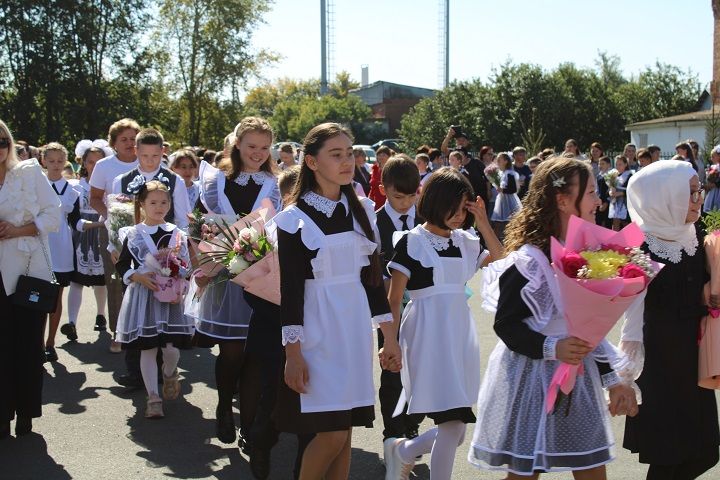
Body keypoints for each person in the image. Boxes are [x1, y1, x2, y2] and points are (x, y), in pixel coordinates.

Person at [469, 157, 637, 478]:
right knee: (525, 470)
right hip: (531, 376)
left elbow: (592, 326)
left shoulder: (589, 255)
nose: (598, 201)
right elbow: (507, 324)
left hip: (579, 374)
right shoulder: (528, 261)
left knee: (589, 465)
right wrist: (552, 348)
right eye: (590, 192)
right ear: (562, 200)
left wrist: (612, 379)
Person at [273, 122, 401, 480]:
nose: (347, 161)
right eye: (336, 154)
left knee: (343, 433)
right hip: (317, 332)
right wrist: (293, 354)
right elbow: (292, 291)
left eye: (349, 153)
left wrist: (389, 336)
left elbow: (373, 284)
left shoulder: (361, 209)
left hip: (354, 330)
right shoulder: (292, 220)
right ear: (311, 163)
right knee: (329, 433)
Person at [384, 167, 502, 480]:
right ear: (435, 202)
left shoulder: (466, 242)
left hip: (460, 337)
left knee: (456, 430)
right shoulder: (411, 242)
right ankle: (406, 453)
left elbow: (501, 256)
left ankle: (403, 451)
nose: (459, 215)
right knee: (452, 425)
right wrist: (389, 342)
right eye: (454, 207)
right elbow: (394, 299)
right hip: (425, 335)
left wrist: (482, 220)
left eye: (464, 208)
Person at [621, 160, 720, 480]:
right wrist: (625, 372)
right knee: (668, 455)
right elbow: (632, 314)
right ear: (665, 196)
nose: (699, 200)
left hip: (692, 359)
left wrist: (708, 292)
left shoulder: (694, 235)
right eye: (691, 193)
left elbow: (700, 285)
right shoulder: (640, 245)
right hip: (659, 365)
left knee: (704, 451)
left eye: (699, 191)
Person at [188, 117, 281, 449]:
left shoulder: (275, 184)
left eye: (264, 147)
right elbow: (197, 225)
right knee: (231, 352)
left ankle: (250, 424)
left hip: (261, 275)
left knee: (255, 354)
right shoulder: (216, 182)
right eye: (251, 146)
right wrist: (202, 261)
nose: (257, 153)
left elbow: (281, 228)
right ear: (237, 144)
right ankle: (225, 406)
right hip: (224, 276)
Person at [0, 120, 61, 437]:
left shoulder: (26, 173)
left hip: (25, 274)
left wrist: (16, 230)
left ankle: (25, 412)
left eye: (2, 141)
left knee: (26, 346)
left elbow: (54, 214)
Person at [114, 180, 193, 418]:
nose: (159, 207)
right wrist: (136, 276)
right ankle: (153, 398)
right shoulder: (134, 234)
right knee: (147, 349)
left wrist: (182, 278)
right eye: (153, 202)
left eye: (164, 202)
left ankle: (169, 373)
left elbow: (186, 264)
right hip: (144, 297)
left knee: (170, 349)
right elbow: (122, 263)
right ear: (142, 204)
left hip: (170, 298)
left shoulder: (177, 233)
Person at [373, 156, 423, 466]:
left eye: (411, 196)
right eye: (397, 197)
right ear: (383, 190)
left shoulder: (429, 219)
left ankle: (412, 427)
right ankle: (392, 437)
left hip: (424, 309)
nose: (404, 204)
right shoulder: (373, 223)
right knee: (392, 372)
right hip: (388, 312)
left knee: (420, 372)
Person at [89, 118, 140, 355]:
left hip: (144, 231)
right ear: (114, 143)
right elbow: (95, 198)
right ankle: (118, 333)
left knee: (144, 279)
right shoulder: (104, 166)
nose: (130, 143)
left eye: (133, 138)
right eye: (124, 139)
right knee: (116, 281)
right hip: (113, 231)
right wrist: (110, 216)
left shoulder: (148, 161)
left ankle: (144, 330)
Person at [62, 144, 111, 342]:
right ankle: (72, 322)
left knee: (102, 280)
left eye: (98, 162)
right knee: (76, 280)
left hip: (102, 237)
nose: (94, 166)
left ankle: (101, 315)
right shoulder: (76, 187)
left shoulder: (108, 186)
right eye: (91, 162)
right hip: (81, 237)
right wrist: (98, 224)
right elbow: (74, 220)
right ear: (83, 163)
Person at [41, 142, 81, 362]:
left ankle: (50, 343)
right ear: (43, 161)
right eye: (51, 161)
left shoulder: (72, 191)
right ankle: (36, 344)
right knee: (35, 295)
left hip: (61, 246)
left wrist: (102, 223)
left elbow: (76, 222)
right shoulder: (35, 186)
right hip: (37, 244)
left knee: (55, 297)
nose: (56, 165)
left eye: (59, 161)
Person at [112, 129, 191, 231]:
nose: (149, 161)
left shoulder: (175, 181)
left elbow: (183, 220)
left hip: (165, 242)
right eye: (144, 155)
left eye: (155, 155)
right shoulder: (121, 181)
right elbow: (116, 220)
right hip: (132, 242)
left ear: (162, 151)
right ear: (135, 151)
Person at [491, 153, 521, 241]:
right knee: (499, 223)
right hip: (501, 200)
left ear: (506, 161)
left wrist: (502, 190)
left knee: (510, 221)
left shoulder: (510, 173)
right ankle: (498, 241)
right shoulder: (500, 173)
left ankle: (511, 240)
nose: (497, 161)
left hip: (510, 201)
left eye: (499, 159)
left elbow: (513, 189)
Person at [608, 156, 632, 231]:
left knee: (626, 223)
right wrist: (610, 192)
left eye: (620, 164)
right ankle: (615, 241)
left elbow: (632, 190)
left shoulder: (629, 175)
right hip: (615, 202)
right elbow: (609, 188)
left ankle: (631, 241)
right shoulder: (613, 174)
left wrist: (621, 193)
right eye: (616, 164)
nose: (618, 166)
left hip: (625, 202)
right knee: (615, 222)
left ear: (625, 164)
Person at [596, 156, 612, 228]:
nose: (600, 166)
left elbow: (610, 189)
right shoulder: (599, 175)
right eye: (599, 164)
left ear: (608, 165)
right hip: (599, 200)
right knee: (598, 222)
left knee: (607, 222)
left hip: (606, 202)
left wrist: (606, 202)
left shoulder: (610, 175)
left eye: (603, 164)